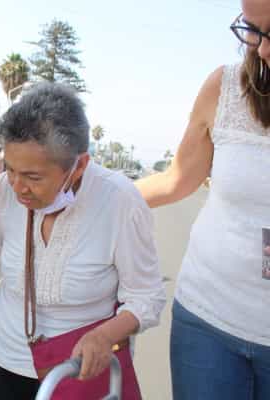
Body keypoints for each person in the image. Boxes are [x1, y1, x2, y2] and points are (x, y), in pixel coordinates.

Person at [0, 83, 166, 400]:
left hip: (77, 369)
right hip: (3, 358)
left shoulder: (120, 201)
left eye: (33, 177)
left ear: (79, 165)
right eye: (11, 170)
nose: (18, 187)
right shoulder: (6, 188)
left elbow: (146, 296)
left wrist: (105, 334)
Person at [136, 2, 270, 398]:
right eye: (252, 29)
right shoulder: (225, 88)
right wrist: (78, 195)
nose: (261, 50)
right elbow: (177, 180)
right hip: (207, 325)